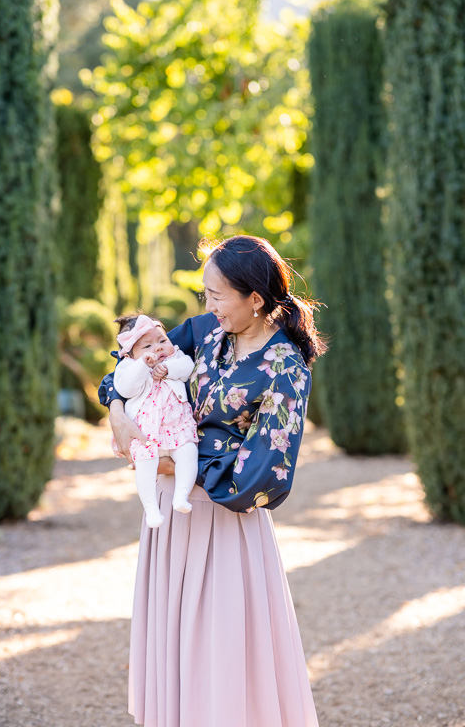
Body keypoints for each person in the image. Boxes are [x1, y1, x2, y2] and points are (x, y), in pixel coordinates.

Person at [99, 235, 327, 727]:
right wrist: (118, 412)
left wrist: (177, 464)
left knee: (221, 656)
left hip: (225, 525)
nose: (207, 306)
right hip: (168, 515)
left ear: (256, 299)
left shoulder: (285, 365)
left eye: (216, 295)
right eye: (205, 294)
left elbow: (266, 474)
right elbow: (126, 367)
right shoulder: (204, 331)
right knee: (175, 650)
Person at [112, 313, 199, 527]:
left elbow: (188, 368)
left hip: (177, 427)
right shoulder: (127, 367)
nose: (158, 348)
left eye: (162, 341)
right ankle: (151, 509)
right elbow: (125, 388)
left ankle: (181, 495)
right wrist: (142, 365)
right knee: (145, 466)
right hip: (146, 431)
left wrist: (169, 369)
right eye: (147, 346)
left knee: (189, 453)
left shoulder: (175, 358)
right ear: (131, 354)